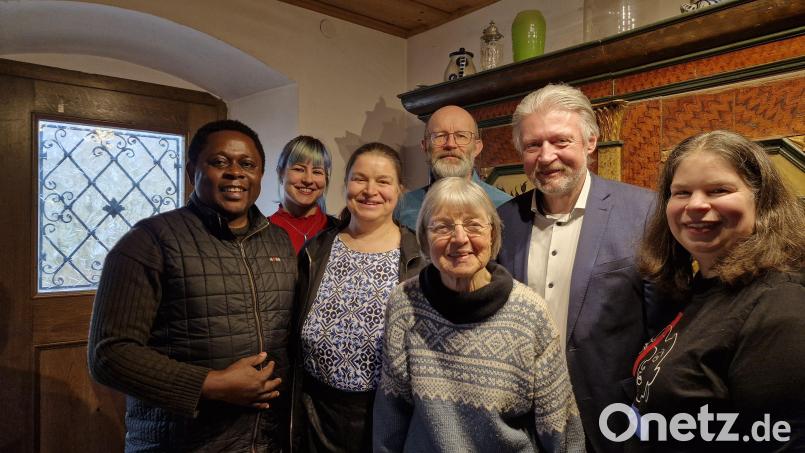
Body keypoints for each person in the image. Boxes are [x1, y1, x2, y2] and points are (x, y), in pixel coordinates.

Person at [88, 120, 297, 452]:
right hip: (180, 441)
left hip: (264, 440)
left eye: (247, 164)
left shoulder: (279, 242)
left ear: (260, 175)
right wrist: (212, 384)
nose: (235, 173)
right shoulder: (150, 241)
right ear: (191, 171)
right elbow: (109, 354)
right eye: (219, 162)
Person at [496, 83, 675, 453]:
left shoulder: (644, 212)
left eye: (561, 141)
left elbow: (665, 328)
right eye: (533, 145)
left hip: (612, 419)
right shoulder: (502, 222)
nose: (546, 157)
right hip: (522, 422)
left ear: (590, 143)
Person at [374, 177, 585, 452]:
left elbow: (561, 426)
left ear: (493, 235)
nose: (460, 239)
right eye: (442, 227)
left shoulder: (530, 313)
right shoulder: (405, 303)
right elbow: (392, 412)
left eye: (474, 225)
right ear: (424, 239)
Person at [631, 130, 805, 452]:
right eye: (682, 192)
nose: (696, 205)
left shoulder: (780, 306)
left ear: (762, 200)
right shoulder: (699, 288)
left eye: (719, 190)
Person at [291, 142, 426, 452]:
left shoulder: (420, 258)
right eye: (359, 178)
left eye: (383, 181)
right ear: (345, 184)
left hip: (387, 422)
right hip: (314, 418)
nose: (369, 190)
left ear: (399, 190)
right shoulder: (315, 251)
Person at [394, 105, 511, 229]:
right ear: (425, 146)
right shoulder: (402, 207)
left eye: (461, 136)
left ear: (477, 147)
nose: (450, 144)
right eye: (439, 136)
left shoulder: (506, 207)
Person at [269, 135, 338, 253]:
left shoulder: (340, 231)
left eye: (317, 172)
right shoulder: (260, 233)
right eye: (299, 169)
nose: (308, 180)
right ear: (280, 173)